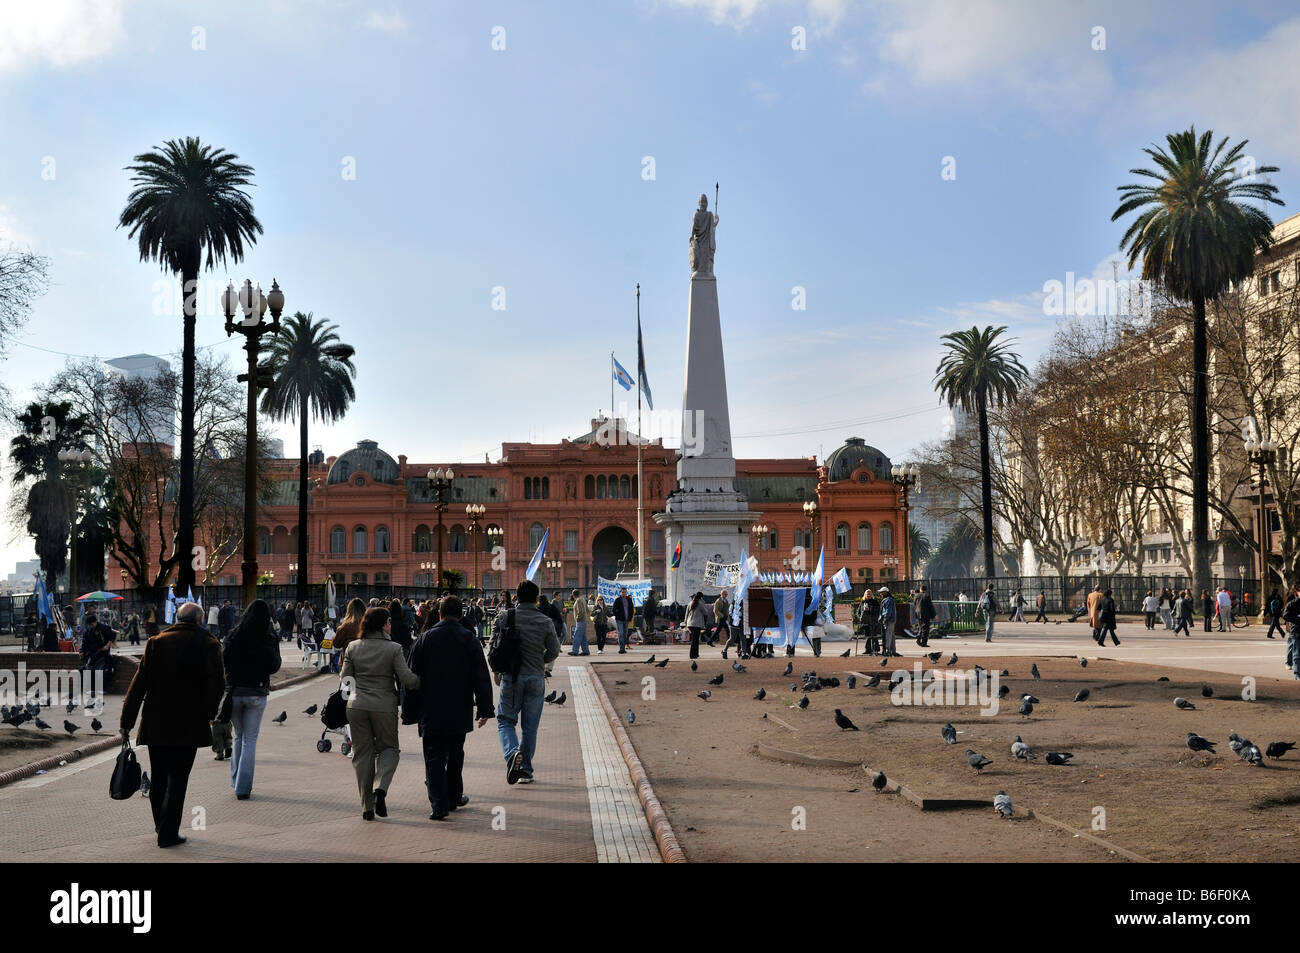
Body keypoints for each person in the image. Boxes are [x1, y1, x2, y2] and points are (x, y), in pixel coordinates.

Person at [119, 602, 224, 849]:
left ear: (177, 619)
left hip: (156, 721)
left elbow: (138, 685)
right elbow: (216, 686)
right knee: (178, 779)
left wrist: (126, 722)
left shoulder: (156, 642)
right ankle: (168, 833)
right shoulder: (209, 644)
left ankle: (160, 825)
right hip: (189, 724)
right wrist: (208, 715)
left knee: (158, 777)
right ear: (199, 621)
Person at [406, 596, 494, 820]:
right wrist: (484, 709)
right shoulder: (469, 639)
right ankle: (455, 796)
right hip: (459, 707)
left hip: (431, 709)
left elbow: (411, 678)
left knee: (433, 756)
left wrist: (409, 711)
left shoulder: (424, 639)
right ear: (461, 614)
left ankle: (438, 804)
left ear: (439, 614)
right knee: (456, 754)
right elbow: (481, 676)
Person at [340, 607, 420, 821]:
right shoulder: (394, 649)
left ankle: (367, 807)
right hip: (384, 705)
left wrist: (351, 697)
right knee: (389, 749)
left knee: (362, 754)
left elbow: (345, 680)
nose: (391, 625)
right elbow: (406, 678)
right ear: (384, 625)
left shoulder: (352, 647)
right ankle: (380, 789)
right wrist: (422, 681)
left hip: (356, 706)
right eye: (389, 622)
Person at [489, 579, 560, 785]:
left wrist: (496, 670)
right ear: (536, 598)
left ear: (516, 597)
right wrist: (541, 660)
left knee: (505, 720)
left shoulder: (504, 616)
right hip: (536, 678)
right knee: (530, 727)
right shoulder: (545, 621)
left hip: (511, 677)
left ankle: (512, 755)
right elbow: (554, 651)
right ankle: (526, 770)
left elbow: (493, 647)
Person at [221, 598, 282, 799]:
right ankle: (243, 787)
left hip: (235, 692)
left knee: (238, 736)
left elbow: (224, 661)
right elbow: (274, 666)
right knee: (250, 740)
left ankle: (235, 778)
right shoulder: (268, 637)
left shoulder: (234, 635)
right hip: (257, 691)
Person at [1282, 583, 1300, 678]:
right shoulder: (1292, 603)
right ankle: (1297, 673)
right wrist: (1297, 619)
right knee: (1296, 652)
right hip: (1296, 630)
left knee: (1292, 647)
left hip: (1294, 629)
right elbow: (1285, 614)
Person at [686, 592, 708, 660]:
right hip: (696, 624)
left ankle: (696, 654)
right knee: (695, 640)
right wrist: (703, 603)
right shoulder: (700, 603)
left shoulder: (690, 603)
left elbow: (686, 613)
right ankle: (692, 654)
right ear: (701, 597)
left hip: (690, 623)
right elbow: (706, 612)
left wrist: (685, 622)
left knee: (695, 639)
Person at [612, 587, 634, 654]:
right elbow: (614, 609)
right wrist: (617, 614)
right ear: (620, 593)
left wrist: (630, 617)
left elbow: (631, 609)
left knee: (625, 634)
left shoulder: (629, 600)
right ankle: (621, 648)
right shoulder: (618, 600)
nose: (624, 593)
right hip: (619, 620)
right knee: (620, 633)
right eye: (623, 592)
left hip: (627, 619)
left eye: (625, 592)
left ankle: (623, 648)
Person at [568, 590, 591, 656]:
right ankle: (586, 651)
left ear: (573, 594)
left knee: (576, 636)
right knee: (583, 637)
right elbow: (587, 610)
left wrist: (577, 619)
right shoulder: (583, 599)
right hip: (584, 620)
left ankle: (575, 651)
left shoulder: (578, 600)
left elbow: (581, 611)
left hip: (580, 620)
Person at [878, 586, 898, 656]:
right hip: (891, 620)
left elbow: (887, 611)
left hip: (888, 620)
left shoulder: (888, 600)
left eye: (881, 592)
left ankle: (888, 650)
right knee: (891, 636)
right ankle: (893, 651)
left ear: (885, 592)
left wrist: (885, 619)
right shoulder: (890, 599)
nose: (880, 593)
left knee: (888, 635)